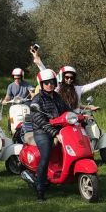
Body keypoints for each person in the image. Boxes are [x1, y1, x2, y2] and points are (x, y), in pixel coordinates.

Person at [30, 68, 70, 202]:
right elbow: (40, 121)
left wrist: (80, 116)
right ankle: (40, 190)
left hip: (59, 129)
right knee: (45, 156)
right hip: (42, 132)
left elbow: (66, 110)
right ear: (41, 84)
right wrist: (55, 134)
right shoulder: (37, 100)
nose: (50, 85)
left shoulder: (57, 97)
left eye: (52, 82)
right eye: (46, 83)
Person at [31, 48, 106, 108]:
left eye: (71, 78)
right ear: (62, 77)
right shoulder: (57, 88)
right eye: (67, 77)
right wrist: (38, 60)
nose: (69, 79)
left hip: (78, 119)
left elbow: (92, 84)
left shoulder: (77, 89)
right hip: (63, 119)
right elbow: (46, 75)